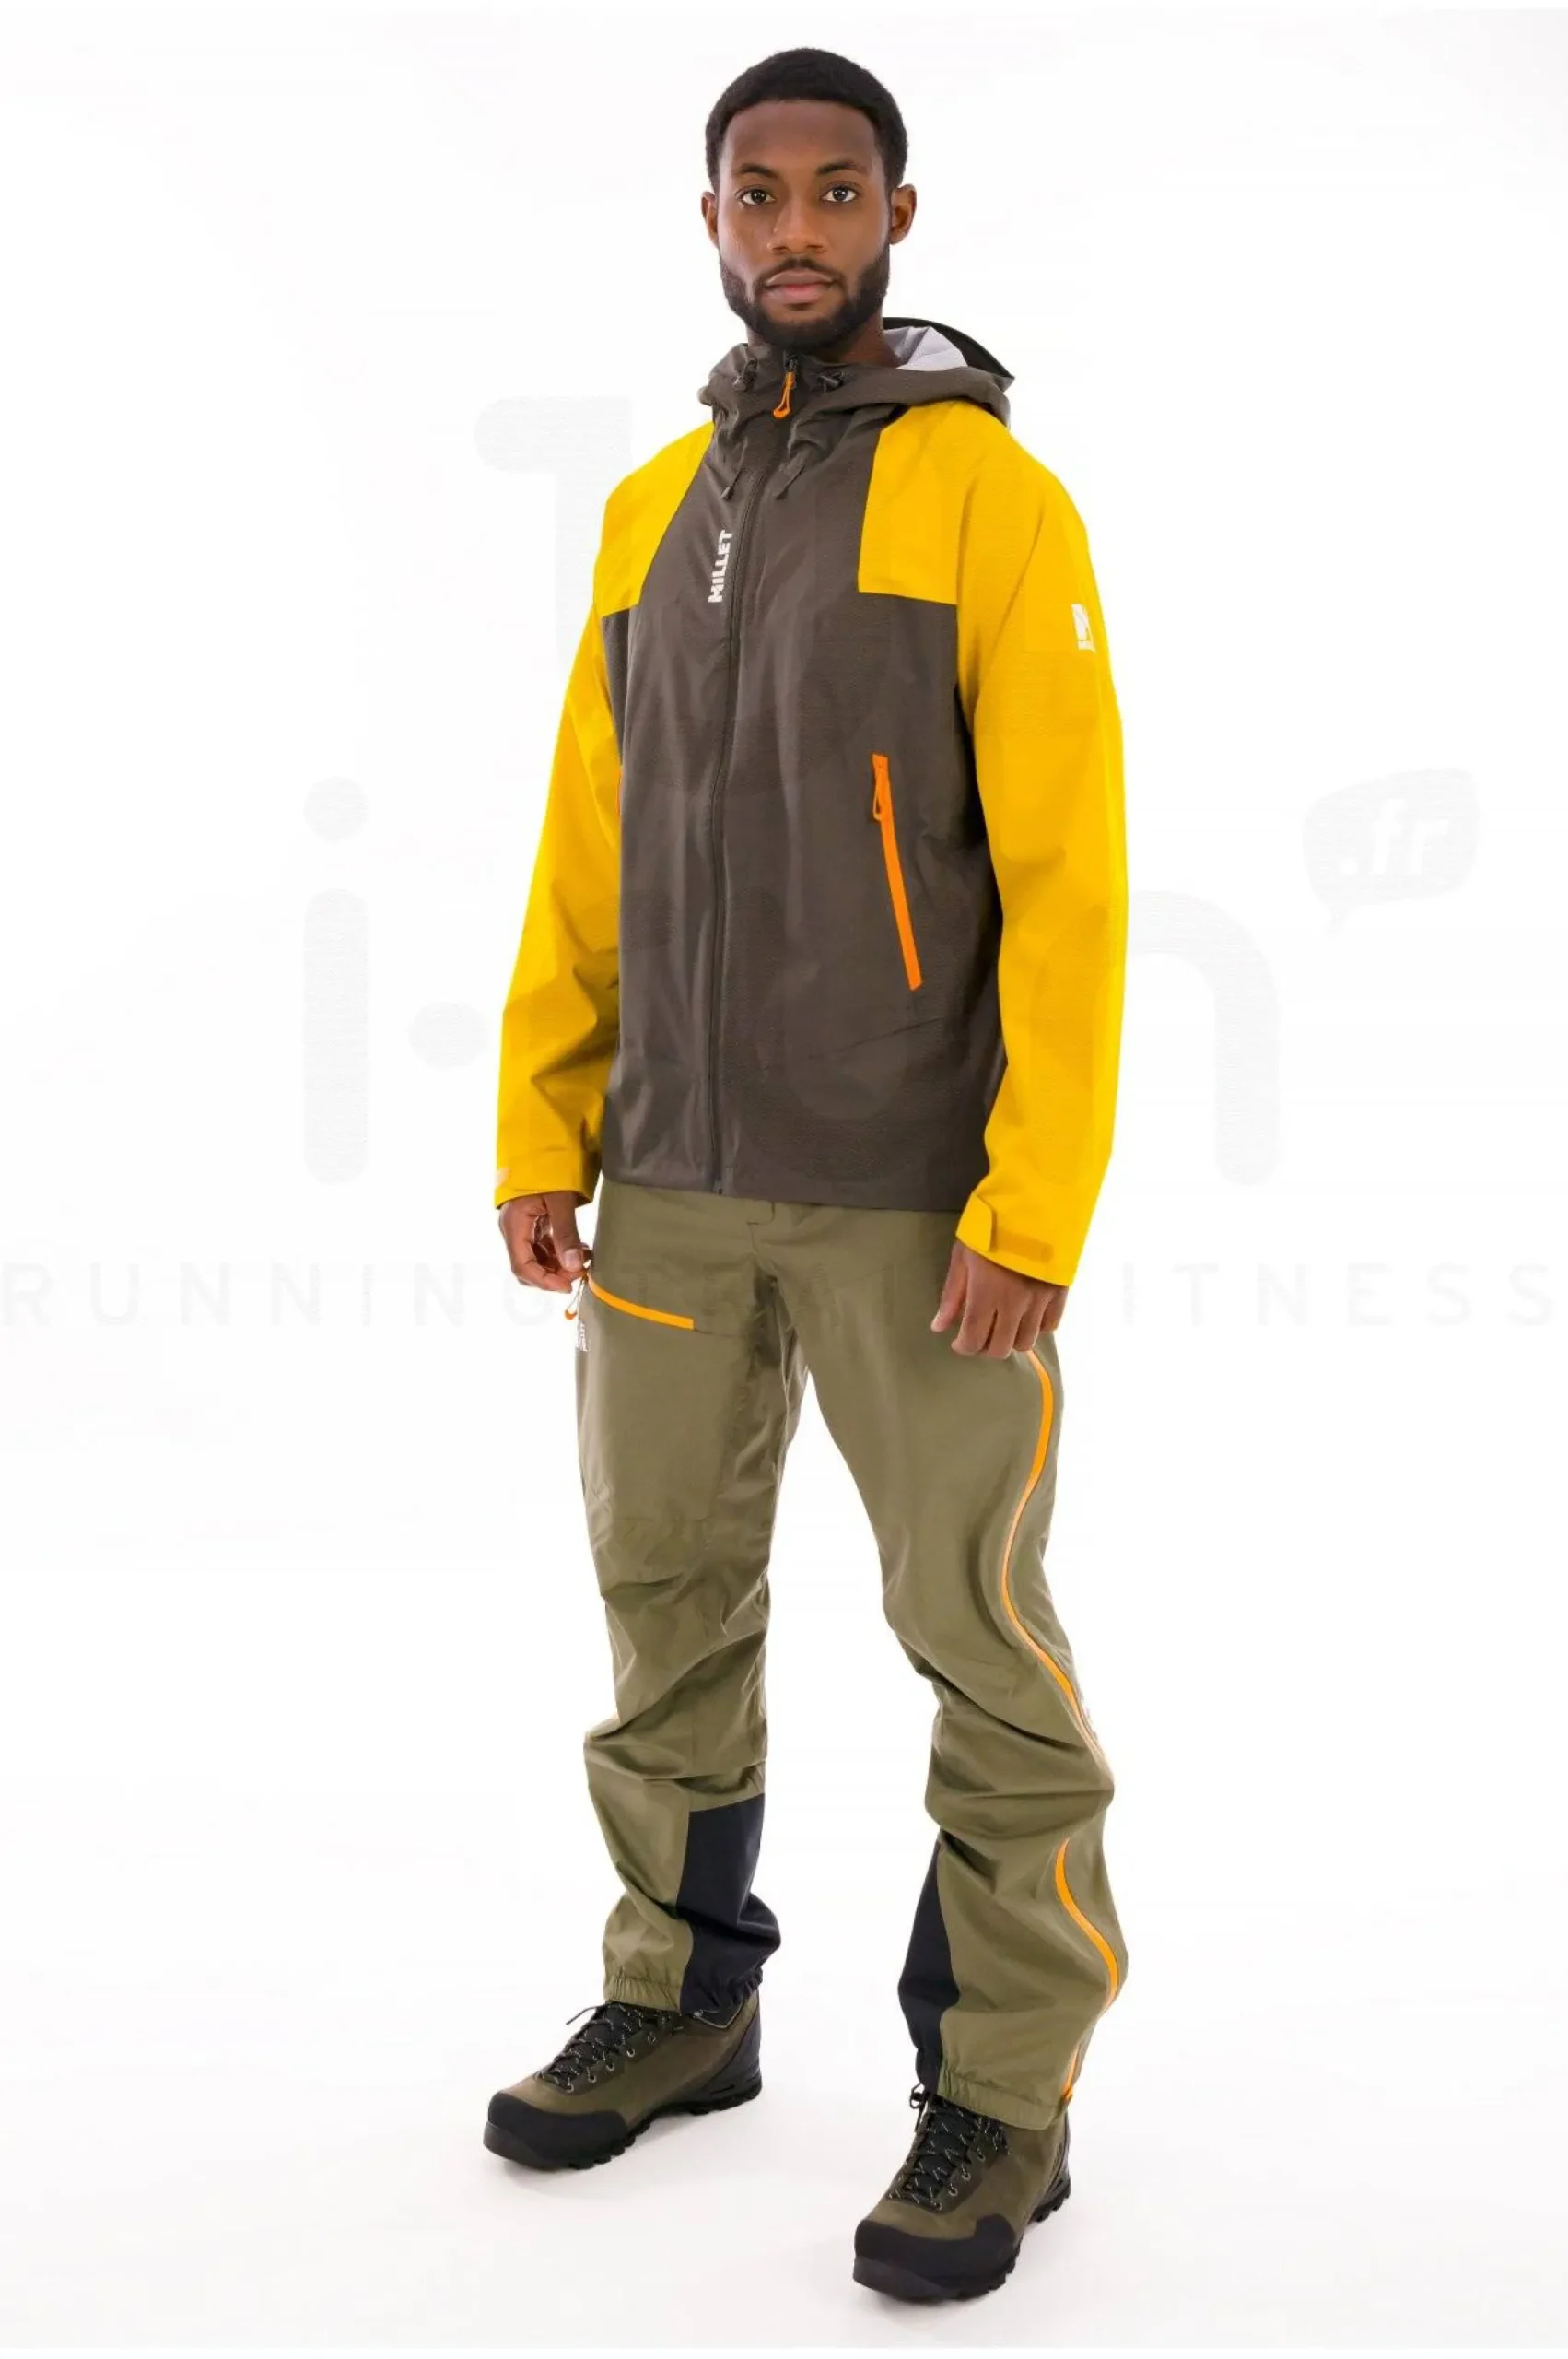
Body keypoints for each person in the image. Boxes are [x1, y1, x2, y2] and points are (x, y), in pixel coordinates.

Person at [483, 44, 1129, 2306]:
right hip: (665, 1177)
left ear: (894, 218)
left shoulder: (987, 499)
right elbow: (587, 837)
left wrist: (1027, 1204)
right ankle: (681, 1994)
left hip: (912, 1198)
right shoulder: (646, 506)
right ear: (709, 221)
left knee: (976, 1635)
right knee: (663, 1598)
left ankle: (1005, 2090)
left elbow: (1068, 883)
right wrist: (542, 1120)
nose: (794, 229)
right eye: (755, 193)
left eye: (833, 192)